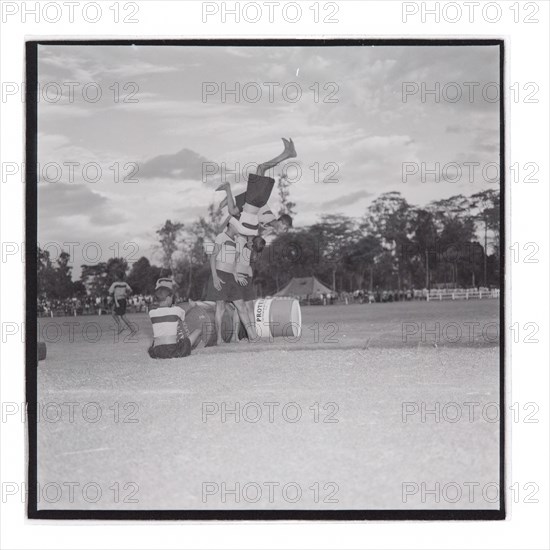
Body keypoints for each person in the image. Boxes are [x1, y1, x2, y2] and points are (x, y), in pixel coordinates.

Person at [216, 138, 297, 236]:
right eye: (285, 228)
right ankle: (288, 153)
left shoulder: (269, 228)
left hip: (249, 201)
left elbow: (249, 222)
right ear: (281, 222)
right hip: (257, 197)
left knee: (230, 210)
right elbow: (255, 211)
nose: (284, 231)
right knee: (261, 168)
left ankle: (229, 196)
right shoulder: (269, 219)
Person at [205, 223, 257, 345]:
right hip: (220, 274)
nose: (239, 228)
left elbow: (233, 262)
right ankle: (219, 339)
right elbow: (212, 257)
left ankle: (253, 336)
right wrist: (215, 277)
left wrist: (236, 275)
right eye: (237, 225)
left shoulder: (234, 240)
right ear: (231, 225)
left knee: (241, 306)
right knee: (221, 307)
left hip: (231, 276)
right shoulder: (221, 236)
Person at [147, 278, 202, 359]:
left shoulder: (151, 312)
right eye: (172, 298)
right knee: (198, 330)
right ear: (168, 298)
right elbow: (184, 318)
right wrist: (191, 306)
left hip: (157, 351)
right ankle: (191, 347)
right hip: (172, 350)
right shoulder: (176, 310)